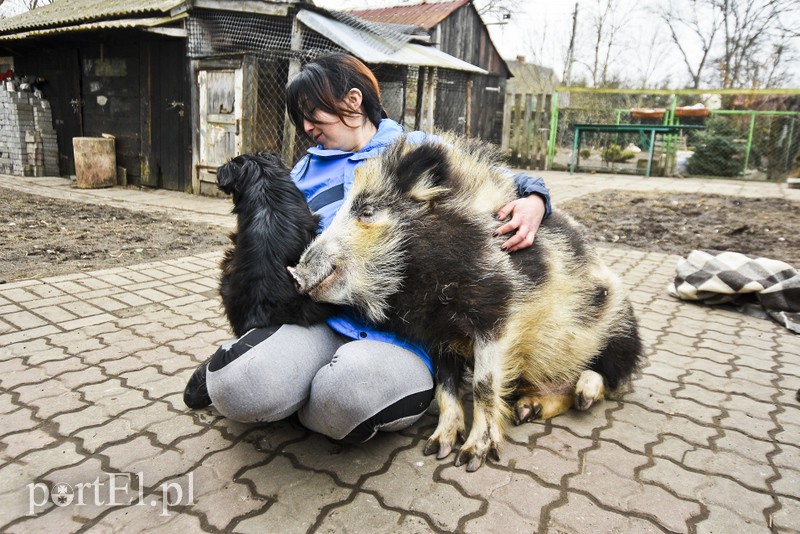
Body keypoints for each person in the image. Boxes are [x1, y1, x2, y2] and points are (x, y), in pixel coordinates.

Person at [183, 53, 552, 444]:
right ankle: (254, 367)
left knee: (345, 399)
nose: (306, 127)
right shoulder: (302, 172)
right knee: (239, 389)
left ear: (353, 101)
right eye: (301, 119)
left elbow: (502, 178)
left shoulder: (414, 150)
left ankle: (303, 392)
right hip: (320, 321)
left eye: (313, 114)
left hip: (403, 336)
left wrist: (535, 200)